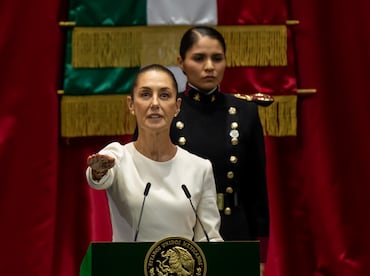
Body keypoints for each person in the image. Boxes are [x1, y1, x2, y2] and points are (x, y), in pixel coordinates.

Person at [134, 26, 270, 271]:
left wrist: (260, 253)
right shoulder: (165, 111)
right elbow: (143, 177)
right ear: (181, 63)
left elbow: (256, 189)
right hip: (179, 230)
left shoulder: (245, 112)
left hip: (234, 229)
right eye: (199, 58)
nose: (209, 66)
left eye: (217, 58)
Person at [86, 64, 223, 243]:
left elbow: (209, 237)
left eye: (164, 95)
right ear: (131, 104)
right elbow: (98, 178)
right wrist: (98, 171)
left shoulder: (200, 168)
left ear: (177, 106)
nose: (155, 104)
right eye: (145, 95)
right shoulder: (118, 156)